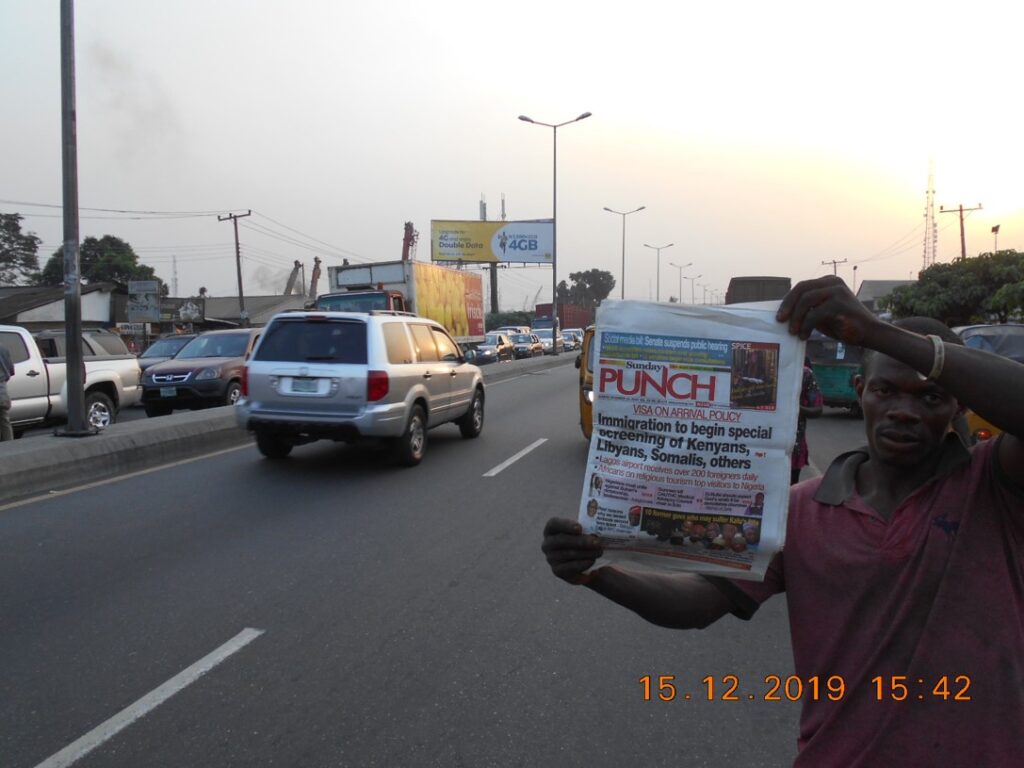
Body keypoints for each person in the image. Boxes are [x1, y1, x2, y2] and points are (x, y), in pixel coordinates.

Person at [541, 275, 1024, 766]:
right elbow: (701, 601)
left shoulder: (994, 485)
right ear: (861, 391)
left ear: (958, 405)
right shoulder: (798, 510)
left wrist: (873, 332)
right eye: (886, 390)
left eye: (929, 398)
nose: (903, 411)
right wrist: (597, 572)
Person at [792, 357, 823, 484]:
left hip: (794, 446)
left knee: (791, 492)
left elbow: (817, 410)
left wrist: (794, 409)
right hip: (760, 444)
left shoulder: (805, 374)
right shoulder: (762, 369)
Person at [0, 343, 14, 441]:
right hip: (2, 390)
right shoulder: (4, 349)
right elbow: (11, 371)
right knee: (4, 421)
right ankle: (9, 447)